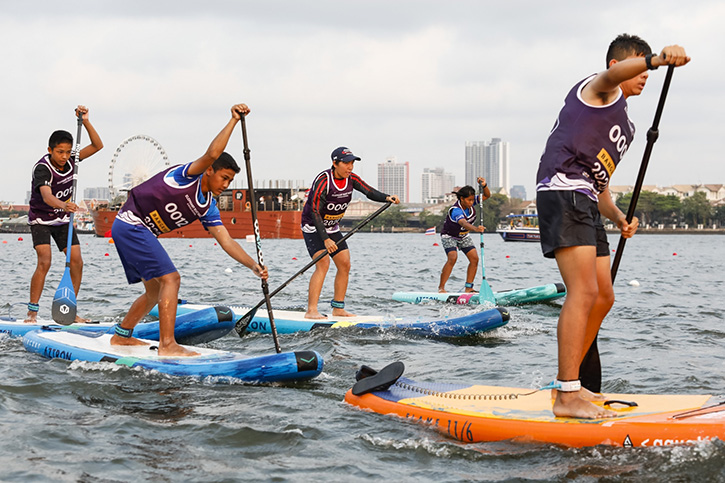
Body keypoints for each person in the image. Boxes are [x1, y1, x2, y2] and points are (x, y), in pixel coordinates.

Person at [535, 34, 690, 418]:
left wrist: (620, 218)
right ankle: (567, 395)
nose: (644, 77)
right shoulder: (597, 90)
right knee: (583, 291)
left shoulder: (626, 125)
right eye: (639, 68)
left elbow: (601, 188)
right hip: (562, 191)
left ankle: (576, 386)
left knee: (603, 296)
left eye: (646, 70)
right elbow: (615, 73)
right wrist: (655, 59)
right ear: (621, 65)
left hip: (586, 199)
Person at [110, 103, 267, 357]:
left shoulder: (208, 207)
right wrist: (233, 121)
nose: (225, 185)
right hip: (131, 223)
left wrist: (253, 266)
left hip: (136, 230)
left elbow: (227, 241)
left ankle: (122, 336)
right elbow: (213, 152)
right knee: (172, 279)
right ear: (209, 170)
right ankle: (168, 344)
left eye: (230, 181)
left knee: (154, 290)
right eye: (223, 178)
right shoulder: (188, 175)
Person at [26, 105, 104, 323]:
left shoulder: (72, 160)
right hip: (41, 219)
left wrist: (86, 121)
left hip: (62, 221)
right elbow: (46, 197)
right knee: (45, 261)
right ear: (50, 150)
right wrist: (64, 205)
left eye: (68, 152)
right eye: (60, 152)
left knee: (77, 261)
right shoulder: (42, 168)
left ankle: (68, 309)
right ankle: (32, 313)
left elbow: (98, 145)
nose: (64, 156)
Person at [301, 147, 400, 319]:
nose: (350, 167)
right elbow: (315, 212)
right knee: (323, 263)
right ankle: (311, 311)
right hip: (314, 227)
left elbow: (368, 191)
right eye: (346, 163)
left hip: (332, 227)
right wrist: (325, 240)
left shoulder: (351, 179)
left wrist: (386, 197)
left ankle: (338, 308)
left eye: (352, 163)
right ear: (334, 163)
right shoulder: (324, 180)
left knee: (345, 264)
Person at [438, 177, 490, 293]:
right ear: (462, 199)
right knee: (452, 257)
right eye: (469, 200)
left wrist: (484, 186)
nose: (472, 203)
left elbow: (486, 196)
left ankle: (469, 288)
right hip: (449, 236)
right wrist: (476, 229)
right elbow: (463, 223)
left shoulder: (470, 204)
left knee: (474, 259)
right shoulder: (456, 210)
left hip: (463, 236)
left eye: (473, 200)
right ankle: (441, 288)